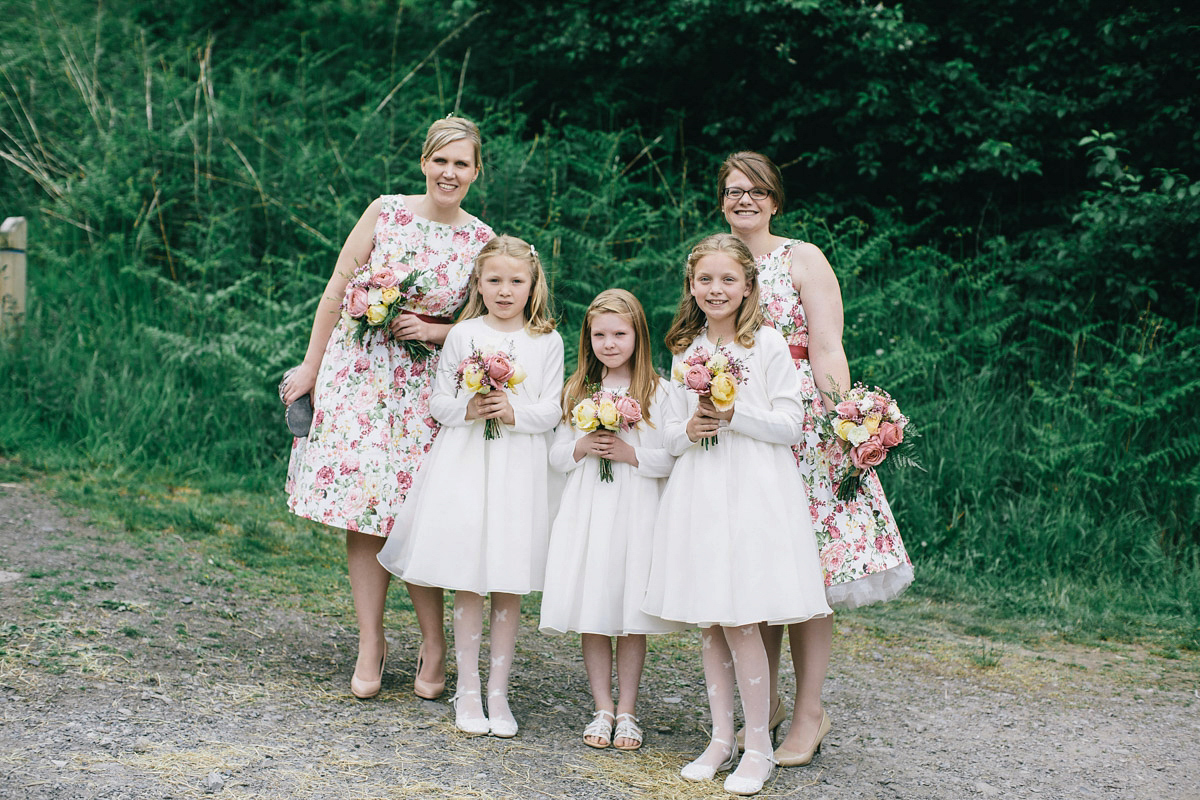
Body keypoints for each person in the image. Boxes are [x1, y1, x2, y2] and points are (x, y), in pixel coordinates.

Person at [281, 117, 494, 701]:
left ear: (476, 172)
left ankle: (434, 642)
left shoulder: (480, 239)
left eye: (462, 164)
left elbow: (487, 325)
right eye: (440, 161)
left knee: (416, 510)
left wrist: (434, 327)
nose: (449, 173)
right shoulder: (387, 211)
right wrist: (310, 367)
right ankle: (370, 642)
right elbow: (337, 286)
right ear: (424, 162)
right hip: (362, 377)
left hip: (428, 386)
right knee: (365, 511)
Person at [718, 151, 913, 765]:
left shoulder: (801, 257)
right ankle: (764, 703)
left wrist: (843, 425)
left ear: (775, 199)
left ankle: (809, 714)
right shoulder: (714, 259)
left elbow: (827, 346)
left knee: (808, 573)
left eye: (755, 191)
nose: (742, 200)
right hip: (736, 420)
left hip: (801, 425)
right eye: (731, 191)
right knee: (758, 566)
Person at [642, 234, 832, 796]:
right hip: (700, 487)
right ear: (691, 286)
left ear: (749, 285)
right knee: (711, 619)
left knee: (744, 617)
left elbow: (789, 425)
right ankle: (720, 738)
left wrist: (733, 414)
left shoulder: (768, 344)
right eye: (705, 280)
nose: (716, 289)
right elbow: (671, 429)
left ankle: (758, 746)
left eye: (728, 279)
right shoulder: (684, 347)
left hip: (754, 490)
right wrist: (689, 430)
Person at [376, 235, 563, 739]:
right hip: (466, 462)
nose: (505, 291)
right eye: (495, 280)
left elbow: (552, 408)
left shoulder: (546, 340)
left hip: (518, 467)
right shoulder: (463, 334)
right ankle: (468, 689)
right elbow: (439, 401)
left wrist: (514, 411)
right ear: (478, 283)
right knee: (468, 574)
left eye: (516, 282)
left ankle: (498, 691)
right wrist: (468, 408)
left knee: (507, 577)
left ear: (532, 285)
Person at [539, 289, 684, 751]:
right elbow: (557, 456)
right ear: (588, 339)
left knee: (628, 614)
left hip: (636, 511)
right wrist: (582, 447)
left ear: (638, 336)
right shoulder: (577, 389)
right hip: (590, 511)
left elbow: (672, 458)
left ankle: (628, 710)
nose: (609, 343)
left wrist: (630, 453)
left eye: (619, 333)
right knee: (594, 608)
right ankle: (602, 705)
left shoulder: (658, 393)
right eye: (599, 334)